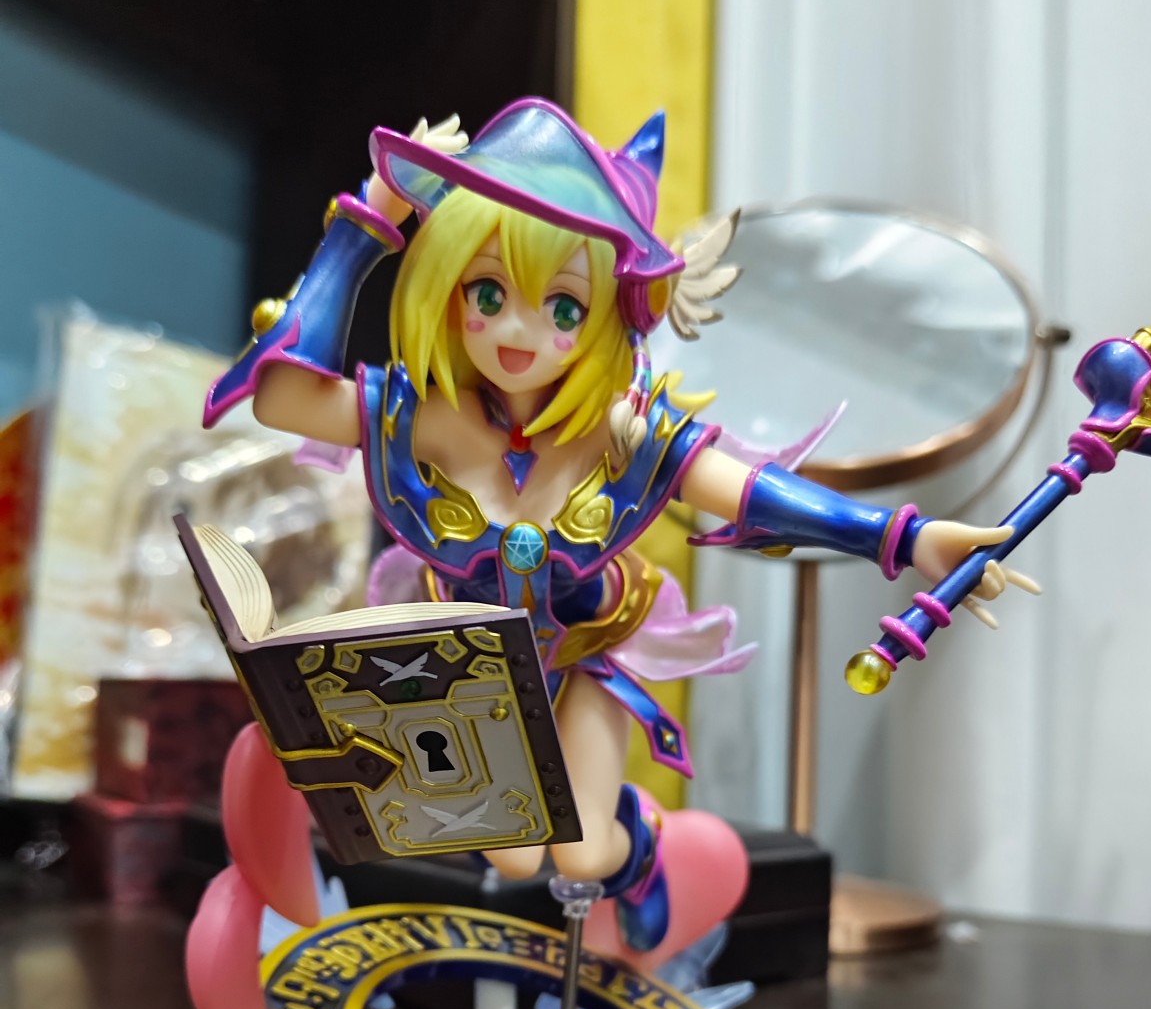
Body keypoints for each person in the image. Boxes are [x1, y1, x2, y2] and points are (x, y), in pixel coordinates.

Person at [204, 99, 1026, 952]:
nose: (519, 331)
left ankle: (637, 848)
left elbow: (752, 493)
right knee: (512, 857)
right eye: (489, 293)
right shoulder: (419, 419)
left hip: (588, 651)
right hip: (475, 672)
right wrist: (363, 224)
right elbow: (282, 393)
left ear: (605, 314)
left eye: (562, 308)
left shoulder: (625, 433)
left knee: (584, 851)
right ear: (446, 287)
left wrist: (905, 538)